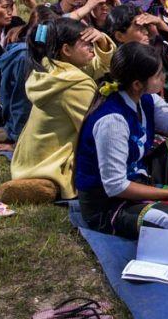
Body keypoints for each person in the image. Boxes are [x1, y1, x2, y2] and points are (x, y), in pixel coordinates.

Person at [75, 42, 168, 241]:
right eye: (158, 75)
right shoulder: (113, 121)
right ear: (137, 84)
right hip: (107, 203)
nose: (164, 78)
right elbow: (115, 186)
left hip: (136, 180)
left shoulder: (146, 99)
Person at [8, 18, 115, 201]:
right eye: (87, 45)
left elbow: (100, 66)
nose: (92, 49)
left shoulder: (51, 68)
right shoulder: (75, 84)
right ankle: (48, 183)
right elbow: (93, 129)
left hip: (28, 160)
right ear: (66, 50)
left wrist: (103, 41)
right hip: (53, 163)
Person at [0, 5, 59, 148]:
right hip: (22, 119)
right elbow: (20, 101)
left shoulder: (37, 43)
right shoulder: (24, 58)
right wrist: (18, 140)